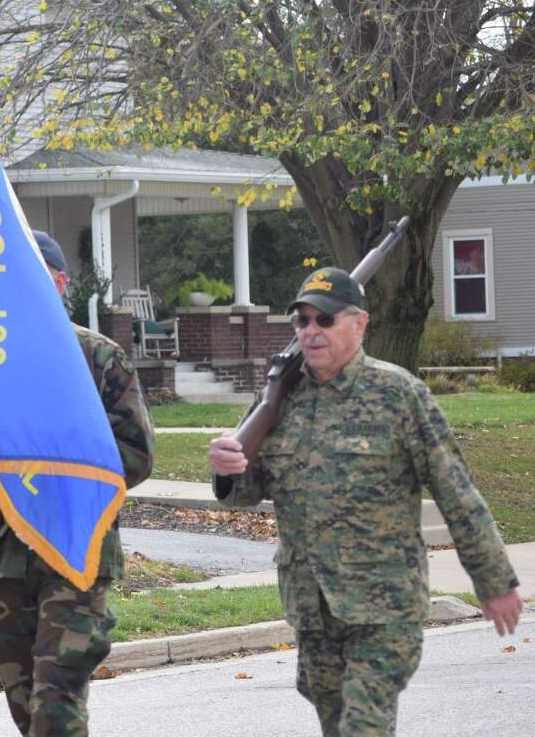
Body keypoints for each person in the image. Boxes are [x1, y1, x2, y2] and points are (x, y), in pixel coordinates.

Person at [209, 266, 523, 736]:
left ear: (360, 323)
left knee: (364, 727)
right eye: (302, 322)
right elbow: (250, 490)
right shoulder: (280, 397)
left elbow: (456, 492)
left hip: (384, 609)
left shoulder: (398, 395)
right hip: (312, 607)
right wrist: (226, 467)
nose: (312, 332)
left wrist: (494, 580)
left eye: (326, 320)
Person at [0, 231, 155, 737]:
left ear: (59, 284)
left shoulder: (97, 358)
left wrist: (56, 471)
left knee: (55, 703)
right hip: (5, 556)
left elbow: (137, 456)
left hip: (74, 551)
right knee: (25, 705)